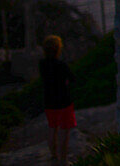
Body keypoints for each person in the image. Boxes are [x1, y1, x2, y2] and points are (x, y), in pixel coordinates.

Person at [40, 34, 75, 166]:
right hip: (64, 101)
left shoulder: (42, 64)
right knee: (64, 131)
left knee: (52, 128)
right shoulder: (61, 65)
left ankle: (54, 155)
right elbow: (72, 78)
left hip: (49, 100)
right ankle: (63, 160)